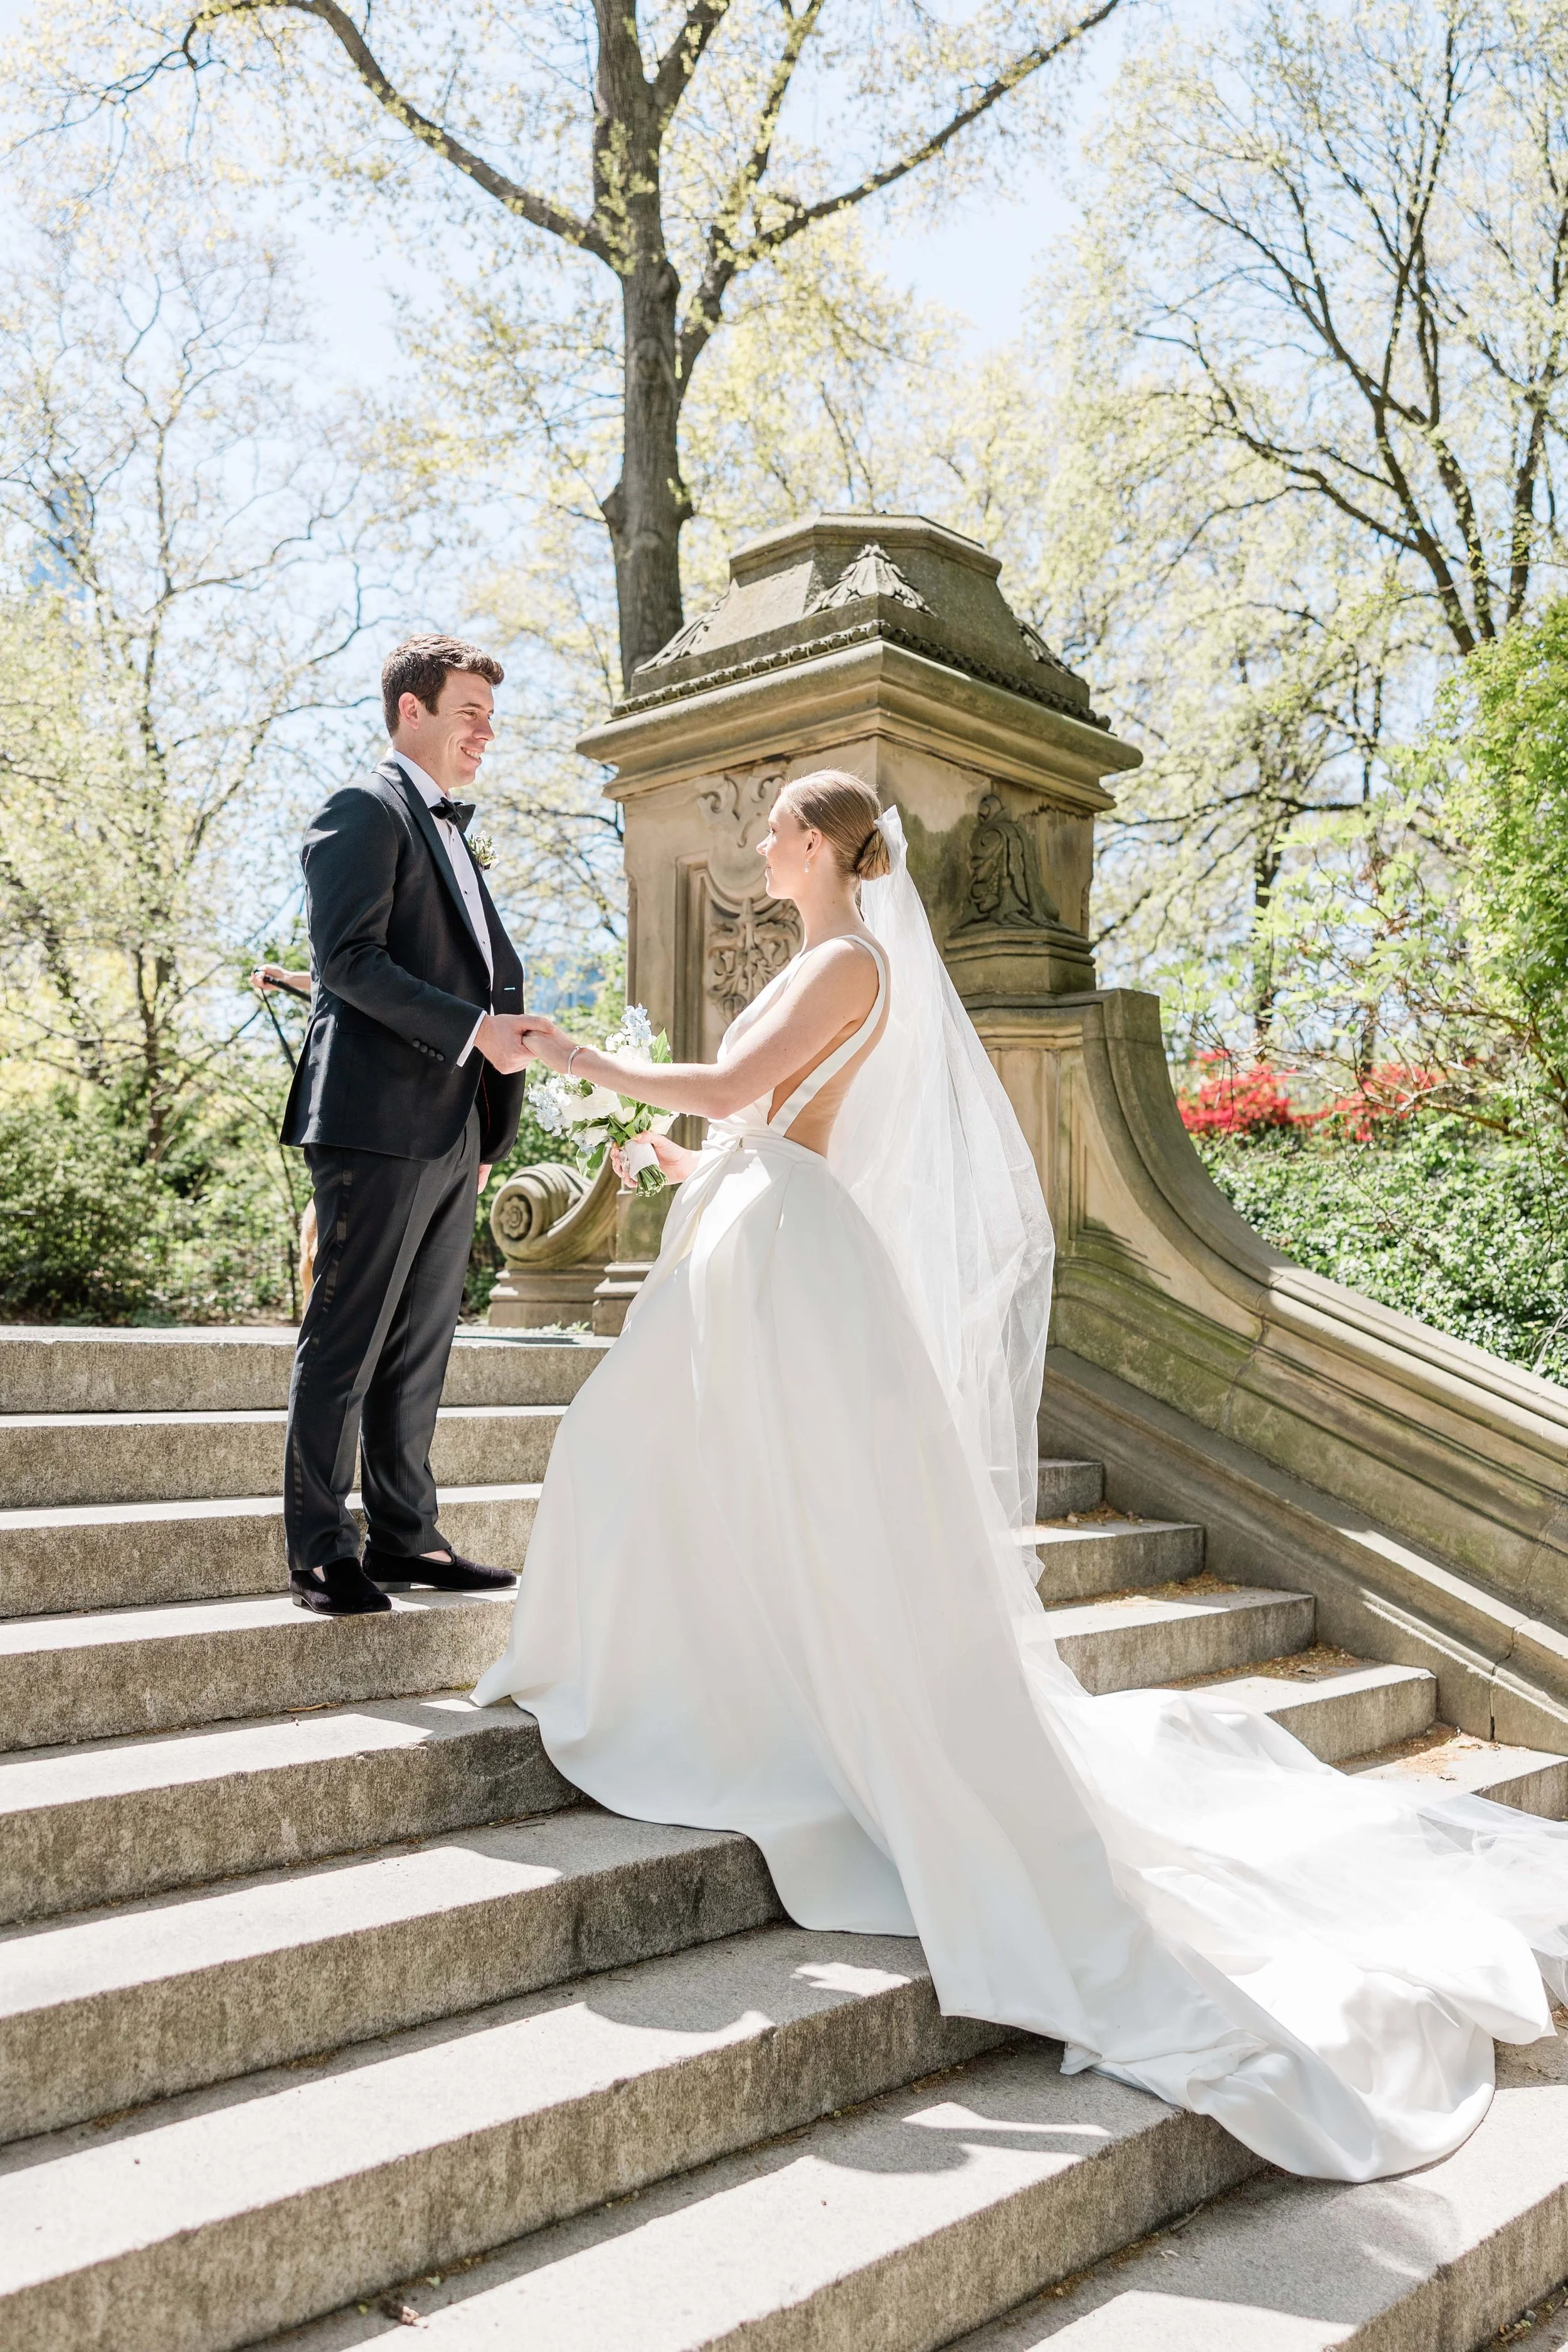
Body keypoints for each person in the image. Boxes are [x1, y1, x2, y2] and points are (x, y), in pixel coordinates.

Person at [475, 766, 1568, 2185]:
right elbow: (759, 1118)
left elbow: (744, 1086)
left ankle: (684, 1696)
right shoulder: (829, 959)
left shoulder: (847, 961)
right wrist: (688, 1157)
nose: (755, 842)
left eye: (772, 827)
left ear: (817, 842)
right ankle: (660, 1677)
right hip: (754, 1227)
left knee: (704, 1474)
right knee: (677, 1468)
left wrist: (569, 1057)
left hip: (786, 1255)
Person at [278, 635, 534, 1618]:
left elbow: (478, 969)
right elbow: (347, 960)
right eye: (470, 711)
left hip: (453, 1130)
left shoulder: (456, 835)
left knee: (420, 1347)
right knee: (345, 1339)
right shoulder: (361, 810)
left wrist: (482, 1124)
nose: (487, 731)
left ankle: (405, 1535)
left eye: (490, 716)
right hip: (376, 1120)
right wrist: (478, 1031)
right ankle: (318, 1550)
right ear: (411, 712)